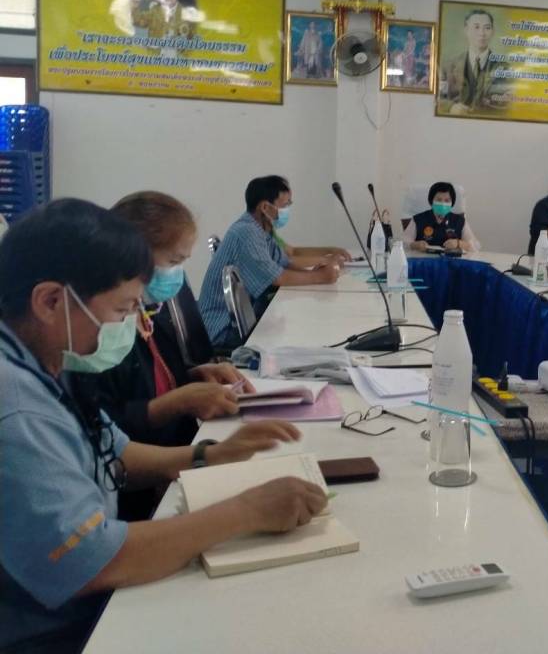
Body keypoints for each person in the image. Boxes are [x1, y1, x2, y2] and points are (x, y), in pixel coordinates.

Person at [0, 199, 327, 653]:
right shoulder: (16, 409)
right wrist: (247, 511)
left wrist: (206, 456)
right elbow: (94, 562)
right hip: (61, 633)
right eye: (122, 310)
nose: (129, 324)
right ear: (51, 301)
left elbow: (113, 451)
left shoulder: (46, 359)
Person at [69, 192, 257, 518]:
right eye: (173, 262)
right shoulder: (95, 334)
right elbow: (103, 433)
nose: (179, 274)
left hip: (168, 460)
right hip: (136, 494)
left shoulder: (151, 309)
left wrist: (193, 376)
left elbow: (150, 385)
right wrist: (178, 404)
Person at [198, 176, 342, 348]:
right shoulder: (247, 233)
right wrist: (319, 277)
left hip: (241, 318)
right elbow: (276, 277)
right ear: (265, 207)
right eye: (285, 205)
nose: (287, 210)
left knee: (293, 323)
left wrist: (313, 272)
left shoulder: (261, 230)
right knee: (296, 332)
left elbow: (284, 262)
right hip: (223, 330)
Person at [437, 9, 508, 114]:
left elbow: (510, 104)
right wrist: (451, 107)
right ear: (466, 30)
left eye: (487, 28)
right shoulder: (448, 66)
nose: (482, 33)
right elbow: (437, 98)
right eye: (476, 27)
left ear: (493, 31)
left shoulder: (505, 69)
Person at [404, 182, 481, 253]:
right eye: (439, 200)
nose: (443, 204)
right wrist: (414, 245)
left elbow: (475, 246)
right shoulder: (418, 219)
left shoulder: (459, 221)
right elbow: (403, 243)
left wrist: (458, 243)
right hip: (423, 261)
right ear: (431, 201)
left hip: (452, 262)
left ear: (452, 203)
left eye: (447, 200)